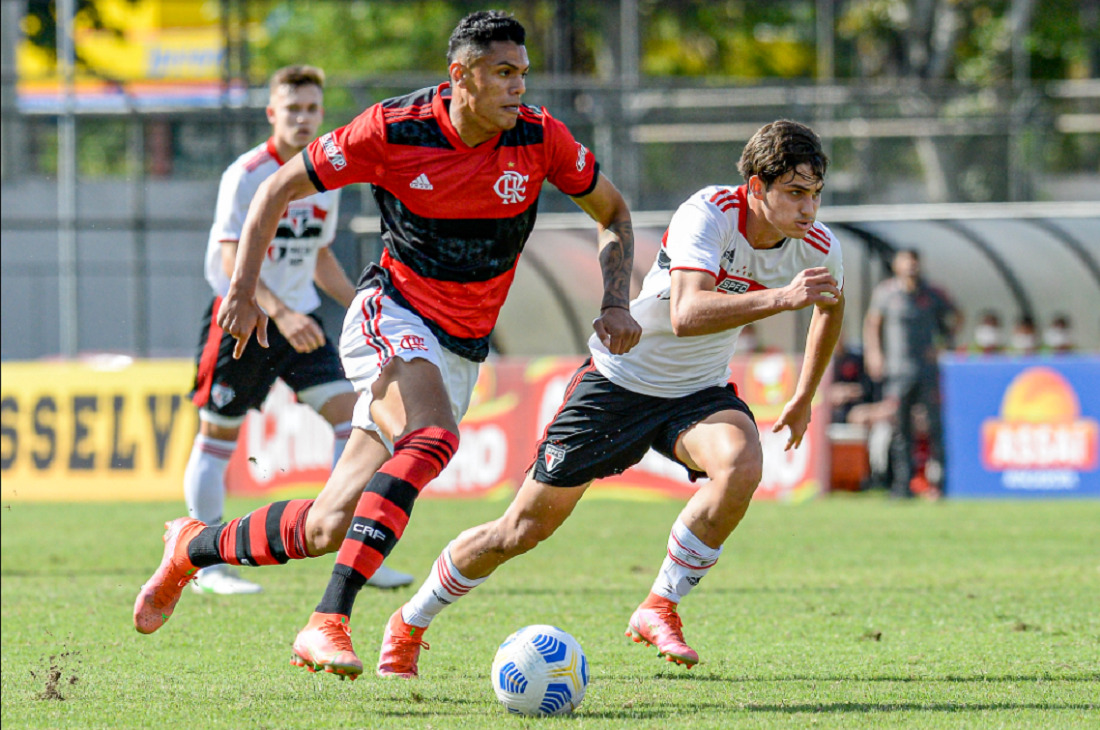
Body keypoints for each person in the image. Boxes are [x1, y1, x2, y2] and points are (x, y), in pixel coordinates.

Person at [132, 11, 641, 681]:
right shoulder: (391, 129)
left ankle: (192, 547)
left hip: (461, 346)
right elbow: (276, 189)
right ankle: (328, 621)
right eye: (503, 73)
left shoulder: (540, 138)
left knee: (325, 525)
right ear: (460, 76)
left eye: (522, 73)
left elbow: (613, 213)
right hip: (391, 311)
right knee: (431, 438)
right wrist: (244, 289)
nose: (519, 88)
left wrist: (613, 301)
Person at [373, 119, 844, 679]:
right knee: (520, 531)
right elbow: (686, 313)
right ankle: (409, 622)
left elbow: (829, 308)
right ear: (755, 187)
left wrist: (804, 395)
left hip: (696, 393)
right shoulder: (709, 214)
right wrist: (781, 297)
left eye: (814, 194)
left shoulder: (818, 245)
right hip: (618, 382)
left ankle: (659, 604)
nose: (808, 209)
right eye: (794, 193)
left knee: (742, 465)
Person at [182, 64, 412, 595]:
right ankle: (206, 565)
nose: (304, 118)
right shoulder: (246, 174)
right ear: (272, 113)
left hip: (299, 319)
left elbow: (316, 253)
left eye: (312, 109)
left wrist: (361, 302)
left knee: (358, 422)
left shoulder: (323, 174)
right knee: (217, 435)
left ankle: (352, 551)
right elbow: (228, 254)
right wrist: (280, 311)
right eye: (293, 109)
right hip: (243, 320)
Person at [863, 249, 958, 499]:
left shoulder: (932, 293)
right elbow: (873, 324)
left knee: (934, 426)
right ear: (896, 265)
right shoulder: (886, 292)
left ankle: (940, 484)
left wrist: (943, 343)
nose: (910, 267)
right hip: (897, 371)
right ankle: (902, 485)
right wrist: (874, 354)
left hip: (927, 371)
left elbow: (956, 316)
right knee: (900, 428)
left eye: (914, 262)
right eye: (905, 262)